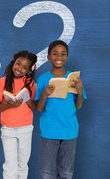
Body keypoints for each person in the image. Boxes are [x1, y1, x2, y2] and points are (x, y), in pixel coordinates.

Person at [36, 40, 86, 179]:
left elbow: (78, 106)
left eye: (63, 54)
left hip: (69, 130)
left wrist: (80, 90)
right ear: (48, 57)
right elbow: (39, 108)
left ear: (67, 56)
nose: (59, 57)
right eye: (55, 54)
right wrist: (45, 94)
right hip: (49, 130)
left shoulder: (74, 78)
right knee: (46, 173)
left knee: (66, 173)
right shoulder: (43, 79)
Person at [0, 51, 37, 179]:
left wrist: (27, 99)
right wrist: (10, 105)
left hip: (26, 128)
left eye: (25, 67)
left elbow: (35, 106)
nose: (19, 69)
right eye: (18, 64)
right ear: (13, 63)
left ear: (29, 70)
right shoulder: (3, 81)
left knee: (23, 163)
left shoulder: (30, 83)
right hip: (8, 128)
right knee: (10, 164)